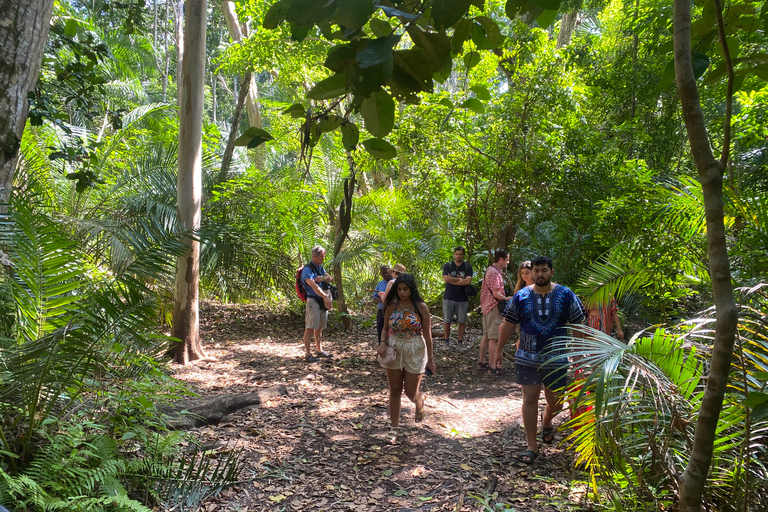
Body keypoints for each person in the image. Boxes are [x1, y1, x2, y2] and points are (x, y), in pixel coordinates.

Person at [497, 256, 585, 464]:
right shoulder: (522, 296)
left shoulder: (566, 294)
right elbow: (509, 324)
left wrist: (579, 355)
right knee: (529, 399)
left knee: (556, 403)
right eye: (536, 271)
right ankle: (531, 446)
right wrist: (498, 349)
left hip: (557, 358)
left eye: (544, 270)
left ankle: (547, 420)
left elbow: (578, 323)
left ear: (551, 272)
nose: (539, 274)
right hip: (527, 357)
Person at [376, 273, 436, 429]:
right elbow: (385, 329)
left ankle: (419, 400)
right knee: (395, 390)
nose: (402, 293)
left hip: (415, 347)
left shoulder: (421, 307)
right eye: (399, 289)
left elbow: (428, 335)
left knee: (410, 392)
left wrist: (431, 358)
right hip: (394, 347)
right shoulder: (391, 306)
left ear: (411, 289)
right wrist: (383, 343)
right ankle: (394, 429)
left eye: (406, 289)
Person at [478, 249, 512, 371]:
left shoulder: (491, 270)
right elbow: (496, 293)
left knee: (486, 336)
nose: (508, 263)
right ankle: (493, 365)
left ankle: (482, 361)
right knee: (494, 338)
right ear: (501, 259)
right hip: (493, 307)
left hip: (487, 307)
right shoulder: (494, 272)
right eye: (507, 260)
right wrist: (507, 298)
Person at [301, 246, 334, 362]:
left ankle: (319, 351)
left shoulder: (320, 268)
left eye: (324, 257)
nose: (323, 259)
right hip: (313, 300)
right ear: (314, 256)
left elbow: (331, 278)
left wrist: (323, 278)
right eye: (321, 257)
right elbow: (313, 286)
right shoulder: (307, 270)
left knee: (319, 328)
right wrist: (325, 297)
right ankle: (308, 354)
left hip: (322, 301)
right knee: (310, 328)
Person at [442, 246, 473, 349]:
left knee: (462, 321)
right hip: (449, 297)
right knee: (447, 321)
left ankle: (460, 343)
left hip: (462, 298)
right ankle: (446, 343)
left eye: (460, 254)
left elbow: (468, 281)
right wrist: (460, 280)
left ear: (463, 255)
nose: (458, 256)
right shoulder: (448, 265)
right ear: (454, 254)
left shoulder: (467, 267)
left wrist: (453, 279)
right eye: (457, 254)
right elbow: (446, 279)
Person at [373, 265, 392, 344]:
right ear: (381, 274)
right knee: (381, 330)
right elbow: (374, 297)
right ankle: (382, 349)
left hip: (392, 312)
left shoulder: (395, 282)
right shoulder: (380, 284)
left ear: (390, 271)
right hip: (381, 311)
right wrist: (381, 299)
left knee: (392, 332)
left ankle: (392, 352)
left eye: (387, 273)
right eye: (383, 273)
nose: (385, 275)